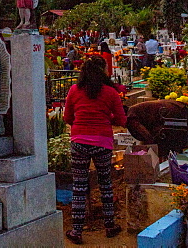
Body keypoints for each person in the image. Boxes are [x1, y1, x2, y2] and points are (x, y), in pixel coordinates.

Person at [63, 56, 125, 243]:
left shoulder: (75, 90)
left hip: (79, 142)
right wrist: (107, 118)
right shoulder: (110, 93)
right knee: (105, 183)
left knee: (79, 186)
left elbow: (67, 117)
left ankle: (77, 231)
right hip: (102, 142)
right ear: (103, 72)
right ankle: (110, 225)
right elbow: (122, 120)